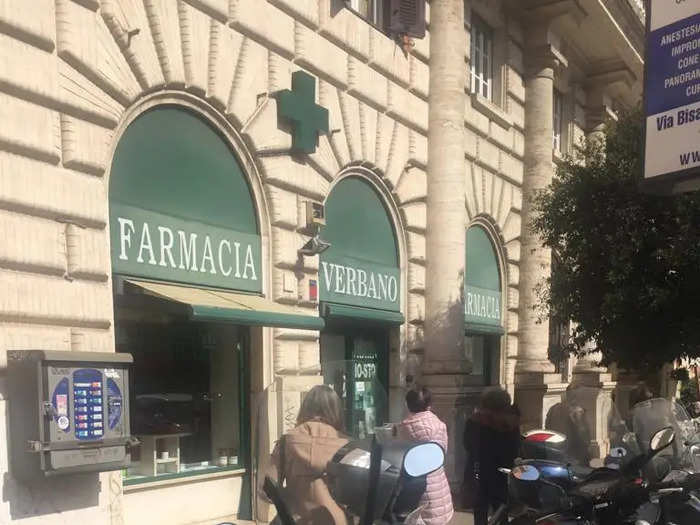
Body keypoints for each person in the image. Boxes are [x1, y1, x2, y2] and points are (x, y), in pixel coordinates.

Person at [264, 385, 350, 525]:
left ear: (305, 408)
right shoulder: (347, 445)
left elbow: (267, 489)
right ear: (337, 411)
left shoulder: (287, 441)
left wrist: (292, 494)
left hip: (296, 520)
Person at [396, 387, 454, 525]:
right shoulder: (440, 425)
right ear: (429, 405)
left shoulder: (403, 429)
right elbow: (442, 452)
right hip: (438, 484)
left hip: (414, 486)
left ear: (407, 404)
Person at [463, 387, 520, 525]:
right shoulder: (511, 421)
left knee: (480, 508)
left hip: (479, 469)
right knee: (501, 507)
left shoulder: (475, 421)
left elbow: (467, 445)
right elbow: (515, 449)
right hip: (502, 471)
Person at [545, 384, 592, 466]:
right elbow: (582, 432)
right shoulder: (577, 410)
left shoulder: (553, 408)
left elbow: (547, 426)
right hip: (571, 452)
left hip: (554, 447)